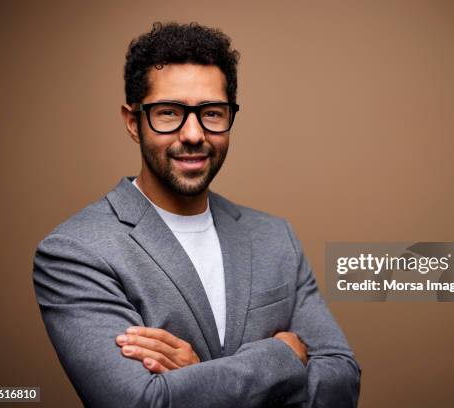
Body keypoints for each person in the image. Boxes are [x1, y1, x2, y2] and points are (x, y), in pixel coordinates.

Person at [32, 21, 361, 408]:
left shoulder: (276, 237)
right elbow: (141, 404)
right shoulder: (76, 252)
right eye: (169, 113)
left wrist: (197, 375)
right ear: (132, 122)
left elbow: (341, 382)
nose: (193, 134)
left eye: (212, 112)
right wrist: (284, 356)